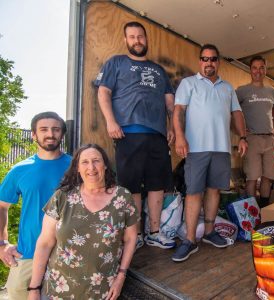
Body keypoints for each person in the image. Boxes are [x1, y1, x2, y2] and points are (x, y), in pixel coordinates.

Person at [95, 21, 176, 249]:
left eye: (140, 36)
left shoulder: (159, 70)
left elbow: (169, 101)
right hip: (128, 133)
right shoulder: (116, 63)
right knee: (131, 186)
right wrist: (111, 121)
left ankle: (155, 232)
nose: (137, 40)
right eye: (132, 37)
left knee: (156, 184)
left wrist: (171, 127)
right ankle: (135, 235)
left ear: (146, 39)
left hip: (158, 135)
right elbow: (104, 92)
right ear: (126, 40)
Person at [28, 144, 139, 300]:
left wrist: (121, 276)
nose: (91, 167)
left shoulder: (122, 197)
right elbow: (45, 243)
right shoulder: (62, 197)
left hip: (102, 292)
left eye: (96, 161)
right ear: (77, 168)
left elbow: (131, 238)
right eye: (84, 162)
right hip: (57, 290)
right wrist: (34, 288)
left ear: (105, 165)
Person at [172, 44, 248, 262]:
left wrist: (243, 137)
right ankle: (189, 240)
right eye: (205, 59)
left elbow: (237, 113)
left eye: (213, 59)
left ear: (218, 62)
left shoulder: (227, 88)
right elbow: (178, 111)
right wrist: (179, 136)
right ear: (200, 61)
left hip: (221, 148)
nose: (209, 63)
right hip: (195, 148)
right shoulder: (189, 84)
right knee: (194, 192)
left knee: (214, 190)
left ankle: (209, 233)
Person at [0, 112, 71, 299]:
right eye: (44, 129)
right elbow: (1, 206)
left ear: (61, 134)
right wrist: (2, 243)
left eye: (55, 129)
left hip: (69, 254)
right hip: (29, 254)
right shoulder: (21, 169)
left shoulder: (77, 167)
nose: (50, 134)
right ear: (34, 135)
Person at [236, 56, 274, 208]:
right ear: (250, 70)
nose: (258, 71)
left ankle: (264, 210)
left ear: (265, 70)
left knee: (268, 177)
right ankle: (252, 214)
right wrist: (239, 131)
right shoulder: (242, 91)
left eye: (261, 67)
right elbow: (232, 112)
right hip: (252, 140)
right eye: (255, 67)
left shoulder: (272, 91)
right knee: (252, 178)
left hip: (269, 140)